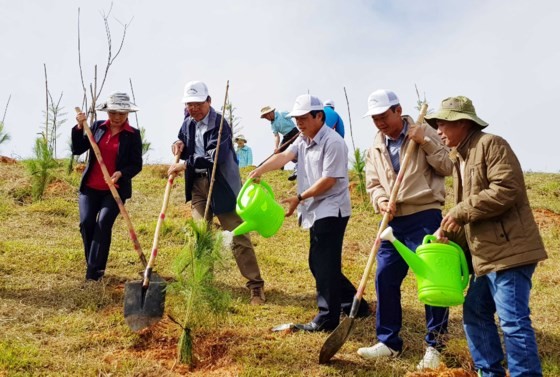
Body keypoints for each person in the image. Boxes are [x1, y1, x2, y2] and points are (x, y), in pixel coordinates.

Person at [425, 96, 548, 377]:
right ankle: (488, 371)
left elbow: (506, 189)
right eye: (437, 124)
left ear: (463, 122)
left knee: (513, 322)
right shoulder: (460, 159)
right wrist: (448, 232)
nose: (439, 130)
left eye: (443, 123)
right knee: (475, 312)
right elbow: (469, 217)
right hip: (486, 257)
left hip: (509, 253)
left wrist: (459, 212)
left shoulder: (491, 144)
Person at [249, 94, 370, 331]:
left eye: (304, 118)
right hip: (315, 208)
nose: (300, 123)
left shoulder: (333, 142)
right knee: (320, 264)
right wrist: (260, 170)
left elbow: (329, 180)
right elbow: (285, 156)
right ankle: (355, 303)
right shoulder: (303, 139)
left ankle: (327, 318)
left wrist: (300, 198)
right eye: (296, 119)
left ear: (319, 116)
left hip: (331, 209)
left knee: (323, 263)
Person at [357, 89, 454, 370]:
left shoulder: (424, 131)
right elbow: (373, 183)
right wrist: (382, 201)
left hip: (424, 215)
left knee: (431, 282)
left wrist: (425, 142)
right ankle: (388, 342)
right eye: (374, 118)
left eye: (384, 116)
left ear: (398, 110)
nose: (380, 123)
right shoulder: (375, 145)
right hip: (392, 222)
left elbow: (447, 165)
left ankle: (435, 346)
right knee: (385, 277)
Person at [168, 80, 266, 305]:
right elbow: (183, 140)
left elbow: (215, 157)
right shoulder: (188, 123)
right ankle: (203, 283)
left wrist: (185, 164)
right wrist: (177, 144)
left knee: (237, 234)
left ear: (209, 101)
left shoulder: (220, 124)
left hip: (221, 184)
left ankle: (256, 286)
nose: (194, 108)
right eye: (189, 104)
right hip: (198, 186)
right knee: (200, 234)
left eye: (198, 104)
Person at [71, 92, 143, 281]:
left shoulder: (133, 135)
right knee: (87, 223)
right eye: (113, 113)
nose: (117, 117)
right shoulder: (96, 127)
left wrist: (121, 173)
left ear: (128, 113)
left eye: (121, 113)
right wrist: (80, 127)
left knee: (103, 224)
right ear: (107, 112)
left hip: (114, 189)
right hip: (90, 187)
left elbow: (136, 164)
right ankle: (94, 265)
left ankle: (93, 275)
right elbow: (77, 149)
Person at [260, 105, 299, 180]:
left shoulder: (282, 113)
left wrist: (301, 127)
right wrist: (276, 147)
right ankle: (280, 171)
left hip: (294, 133)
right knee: (280, 152)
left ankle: (297, 170)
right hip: (286, 137)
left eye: (266, 116)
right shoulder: (272, 124)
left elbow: (294, 116)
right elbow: (276, 136)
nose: (266, 118)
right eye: (265, 117)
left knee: (298, 151)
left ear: (270, 113)